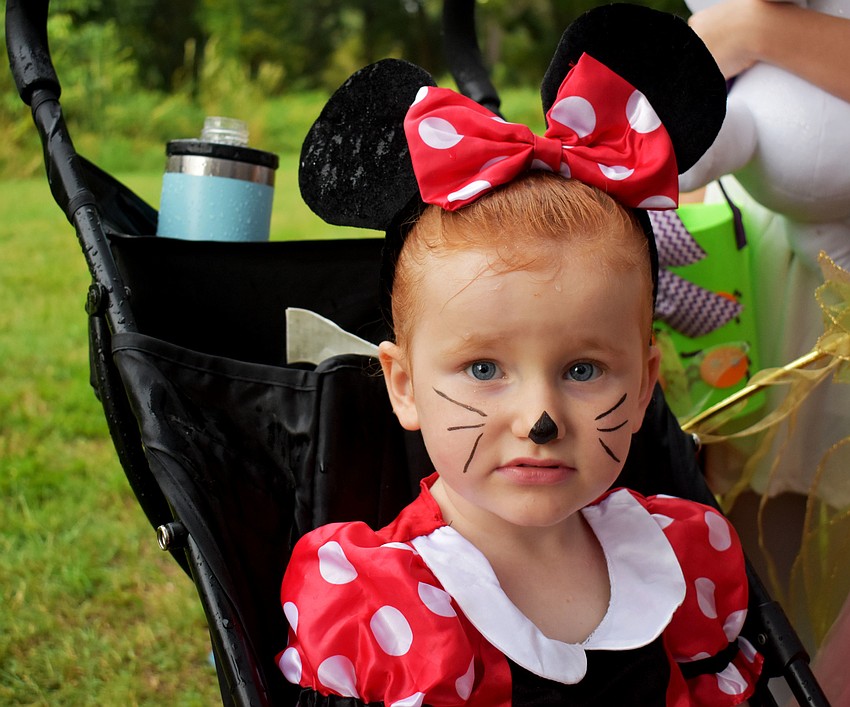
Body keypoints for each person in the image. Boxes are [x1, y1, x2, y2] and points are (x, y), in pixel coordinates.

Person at [278, 4, 763, 704]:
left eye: (583, 370)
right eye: (484, 369)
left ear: (645, 381)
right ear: (404, 385)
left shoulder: (679, 559)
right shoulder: (384, 603)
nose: (540, 417)